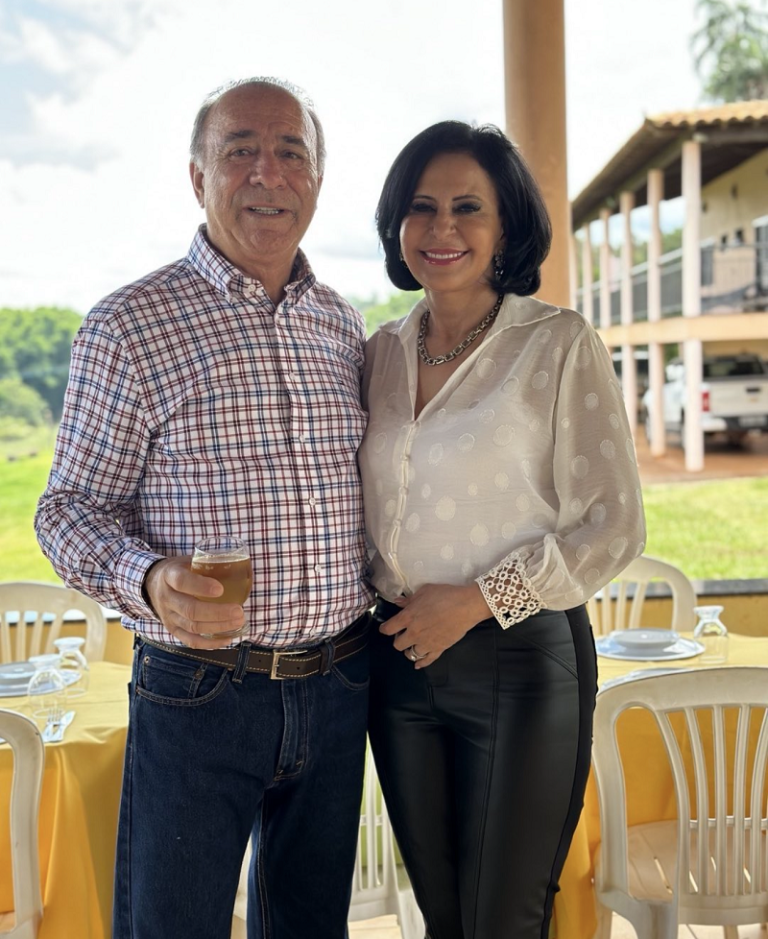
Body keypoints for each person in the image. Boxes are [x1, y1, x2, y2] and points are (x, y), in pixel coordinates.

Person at [35, 77, 374, 939]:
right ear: (198, 177)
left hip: (338, 683)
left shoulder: (342, 327)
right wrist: (149, 579)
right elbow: (66, 509)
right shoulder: (129, 325)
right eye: (240, 151)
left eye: (291, 152)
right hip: (199, 690)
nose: (268, 173)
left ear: (317, 179)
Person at [359, 121, 646, 939]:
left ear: (507, 226)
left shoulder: (556, 343)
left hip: (522, 661)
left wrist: (478, 599)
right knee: (445, 918)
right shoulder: (378, 353)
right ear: (397, 224)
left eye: (467, 207)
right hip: (400, 661)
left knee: (505, 921)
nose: (441, 227)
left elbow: (613, 524)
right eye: (421, 207)